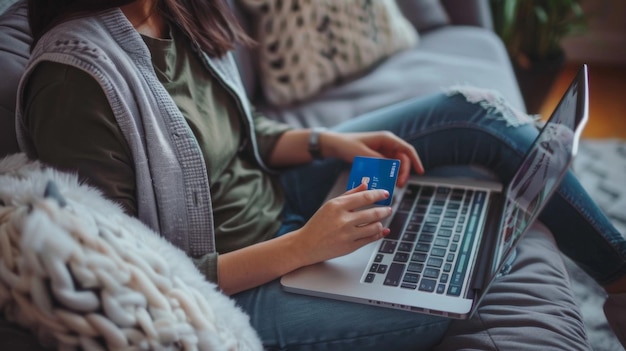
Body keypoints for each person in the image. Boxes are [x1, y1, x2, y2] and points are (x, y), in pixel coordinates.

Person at [16, 0, 626, 349]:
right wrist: (304, 249)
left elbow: (241, 129)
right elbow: (139, 277)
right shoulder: (76, 82)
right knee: (467, 276)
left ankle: (622, 278)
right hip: (233, 289)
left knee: (473, 114)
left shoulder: (169, 11)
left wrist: (326, 141)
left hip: (279, 198)